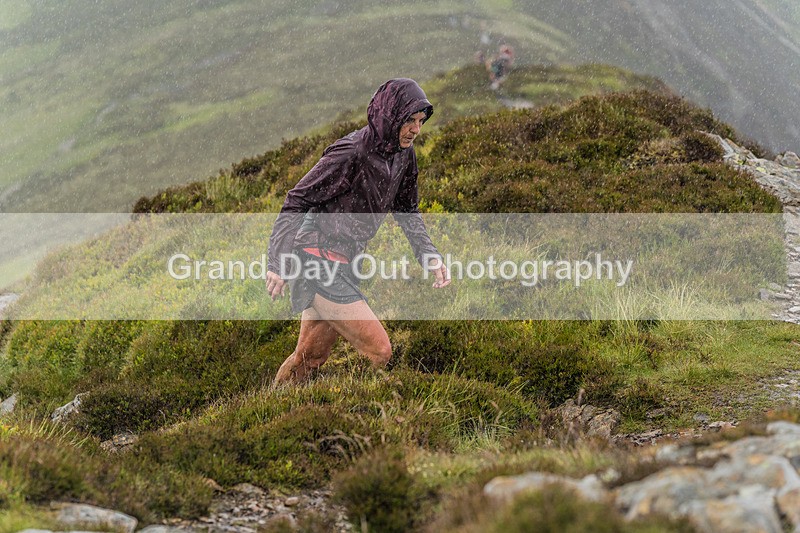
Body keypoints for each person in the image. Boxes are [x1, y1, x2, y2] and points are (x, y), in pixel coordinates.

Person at [266, 78, 450, 387]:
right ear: (391, 115)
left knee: (309, 357)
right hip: (315, 260)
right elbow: (297, 200)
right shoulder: (351, 152)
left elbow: (407, 211)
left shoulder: (405, 155)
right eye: (409, 120)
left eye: (421, 121)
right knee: (379, 350)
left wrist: (429, 255)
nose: (416, 129)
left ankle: (268, 413)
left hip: (347, 261)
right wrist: (278, 262)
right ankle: (351, 414)